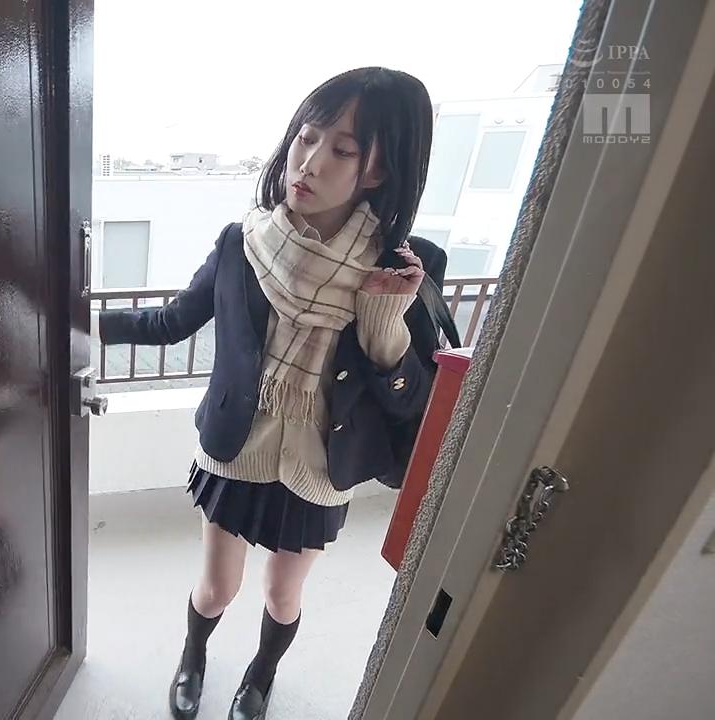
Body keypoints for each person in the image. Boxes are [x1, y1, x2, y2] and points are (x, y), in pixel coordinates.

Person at [97, 67, 445, 720]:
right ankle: (193, 657)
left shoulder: (401, 269)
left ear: (378, 170)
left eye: (341, 149)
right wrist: (80, 326)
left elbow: (411, 403)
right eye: (306, 138)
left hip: (320, 463)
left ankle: (259, 677)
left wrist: (383, 322)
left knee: (284, 597)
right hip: (236, 444)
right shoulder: (243, 242)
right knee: (215, 588)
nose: (308, 162)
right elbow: (171, 322)